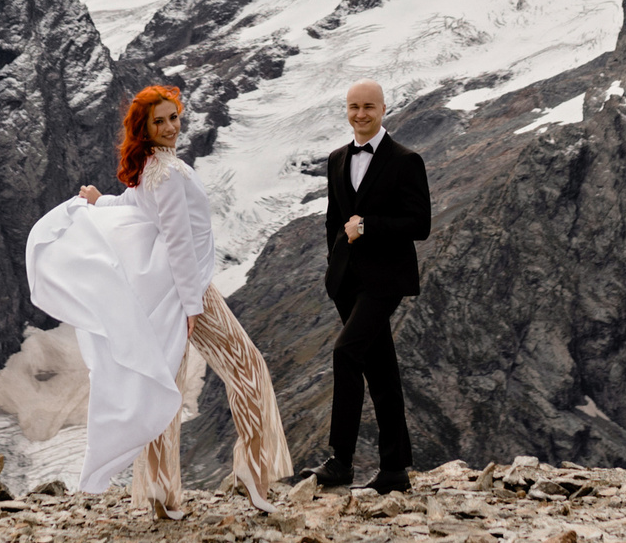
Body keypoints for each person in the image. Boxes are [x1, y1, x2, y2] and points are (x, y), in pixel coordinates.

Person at [24, 85, 292, 518]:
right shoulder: (164, 172)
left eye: (173, 117)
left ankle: (162, 494)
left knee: (164, 385)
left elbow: (133, 206)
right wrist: (192, 307)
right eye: (160, 121)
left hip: (171, 293)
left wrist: (99, 201)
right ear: (144, 129)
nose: (170, 127)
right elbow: (177, 242)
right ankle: (253, 474)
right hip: (189, 291)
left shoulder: (153, 167)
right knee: (248, 368)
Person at [315, 78, 432, 494]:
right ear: (346, 111)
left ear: (384, 110)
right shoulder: (335, 159)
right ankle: (395, 470)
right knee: (381, 371)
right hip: (347, 281)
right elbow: (333, 219)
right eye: (353, 107)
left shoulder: (405, 160)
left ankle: (342, 460)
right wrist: (335, 267)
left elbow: (421, 224)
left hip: (386, 280)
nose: (360, 114)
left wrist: (368, 226)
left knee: (346, 353)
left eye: (368, 107)